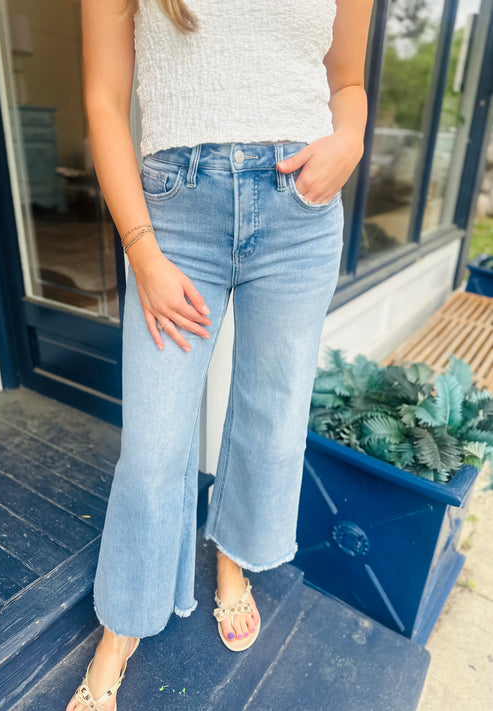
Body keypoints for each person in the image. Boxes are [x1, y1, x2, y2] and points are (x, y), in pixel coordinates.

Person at [68, 0, 374, 708]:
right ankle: (124, 622)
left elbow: (348, 81)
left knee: (272, 417)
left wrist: (350, 139)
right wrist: (142, 252)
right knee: (152, 447)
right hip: (175, 213)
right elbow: (104, 101)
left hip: (299, 210)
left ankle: (230, 560)